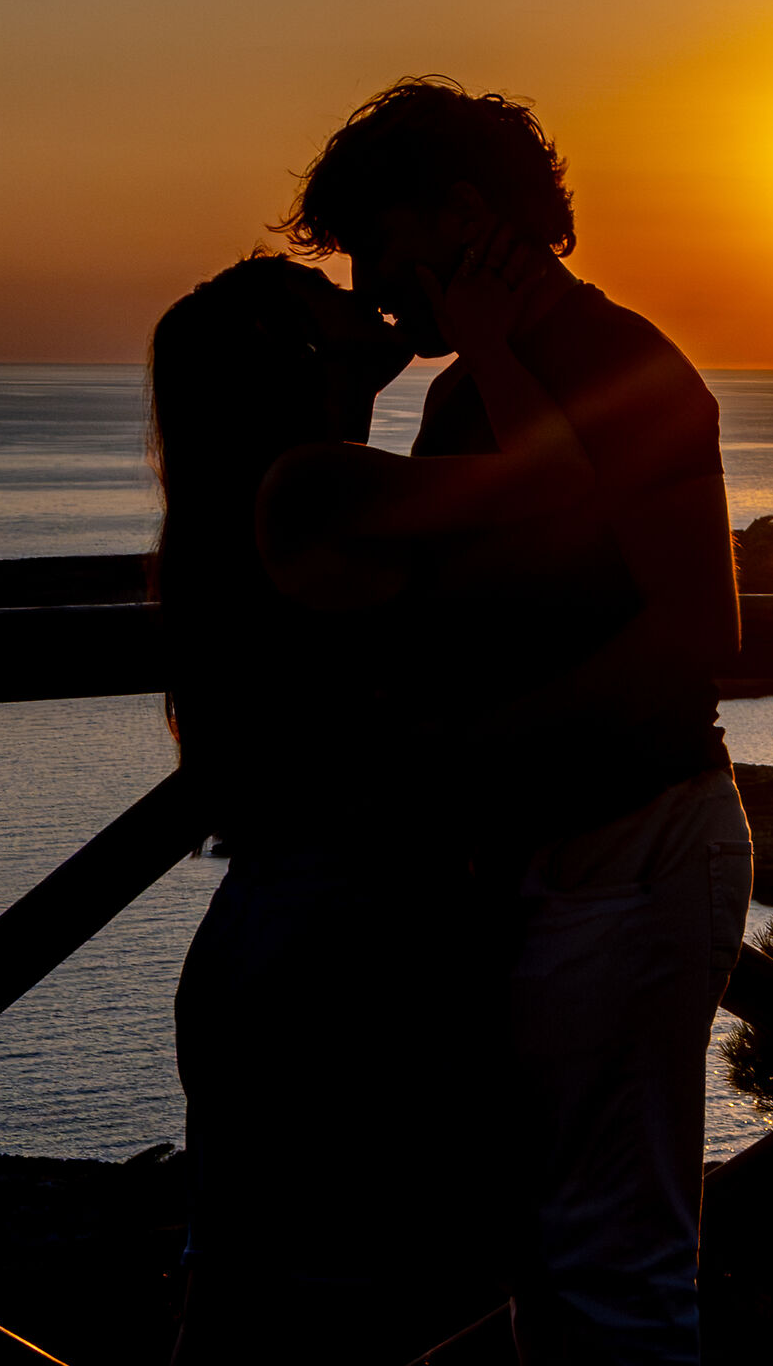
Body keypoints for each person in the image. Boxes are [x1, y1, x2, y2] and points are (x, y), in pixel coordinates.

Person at [276, 77, 752, 1366]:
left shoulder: (624, 367)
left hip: (633, 846)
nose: (377, 289)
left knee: (613, 1264)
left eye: (383, 252)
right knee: (546, 1251)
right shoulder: (458, 397)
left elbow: (700, 634)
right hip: (534, 860)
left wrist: (475, 744)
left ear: (466, 213)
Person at [150, 245, 597, 1364]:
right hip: (345, 940)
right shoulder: (314, 484)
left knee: (257, 1290)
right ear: (293, 357)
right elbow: (556, 478)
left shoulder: (279, 493)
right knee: (402, 1296)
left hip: (284, 924)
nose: (363, 299)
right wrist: (491, 337)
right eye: (328, 301)